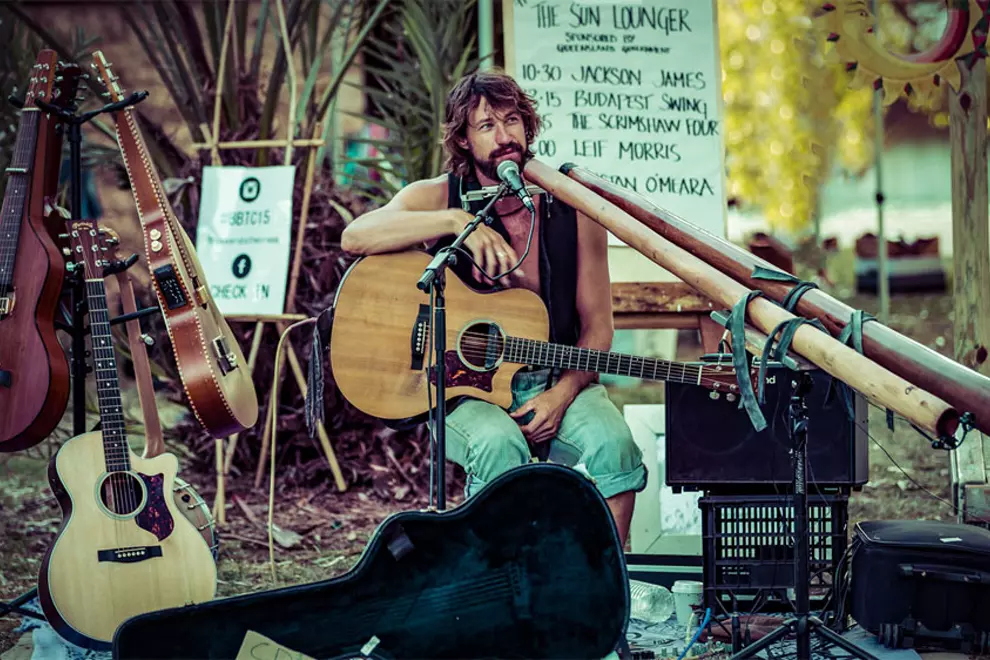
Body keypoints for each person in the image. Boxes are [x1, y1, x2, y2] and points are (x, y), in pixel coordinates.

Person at [340, 68, 647, 546]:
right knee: (497, 444)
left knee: (616, 444)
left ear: (528, 126)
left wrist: (559, 397)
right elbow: (355, 236)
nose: (504, 137)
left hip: (556, 377)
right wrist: (456, 220)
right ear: (463, 139)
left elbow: (599, 329)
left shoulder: (575, 208)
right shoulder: (439, 198)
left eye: (511, 121)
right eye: (486, 126)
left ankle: (610, 585)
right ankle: (497, 587)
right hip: (461, 387)